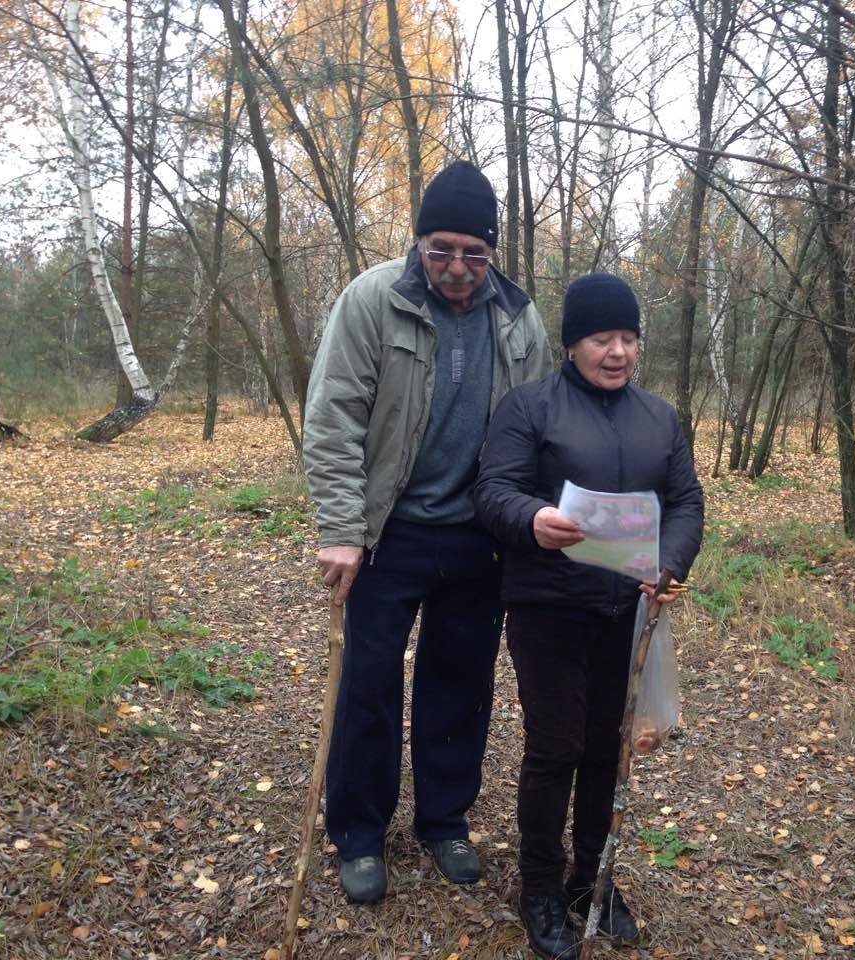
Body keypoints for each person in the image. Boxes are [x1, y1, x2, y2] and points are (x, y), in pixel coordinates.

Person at [302, 160, 552, 903]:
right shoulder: (374, 299)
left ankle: (443, 821)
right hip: (388, 535)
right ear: (419, 242)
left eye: (474, 253)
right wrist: (343, 528)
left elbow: (539, 428)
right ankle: (357, 832)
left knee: (461, 685)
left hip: (479, 538)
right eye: (441, 248)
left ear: (492, 251)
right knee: (369, 686)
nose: (456, 267)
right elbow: (334, 417)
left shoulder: (518, 316)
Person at [474, 273, 704, 960]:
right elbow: (494, 490)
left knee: (609, 747)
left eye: (629, 338)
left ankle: (591, 881)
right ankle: (541, 887)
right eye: (602, 338)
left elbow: (687, 502)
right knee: (557, 747)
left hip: (626, 611)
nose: (618, 352)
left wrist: (669, 566)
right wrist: (532, 519)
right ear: (573, 342)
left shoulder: (659, 417)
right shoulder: (529, 407)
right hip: (549, 605)